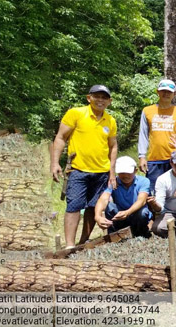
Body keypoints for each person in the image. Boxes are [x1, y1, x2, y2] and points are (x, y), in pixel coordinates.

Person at [51, 85, 118, 249]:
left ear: (109, 101)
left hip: (101, 171)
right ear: (89, 98)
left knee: (93, 207)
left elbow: (113, 146)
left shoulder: (110, 121)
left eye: (104, 97)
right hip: (78, 169)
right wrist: (54, 162)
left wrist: (111, 172)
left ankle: (83, 242)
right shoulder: (76, 113)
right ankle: (69, 245)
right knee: (74, 205)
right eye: (97, 96)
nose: (100, 100)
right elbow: (60, 137)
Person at [137, 79, 176, 193]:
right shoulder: (147, 111)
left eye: (169, 92)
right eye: (163, 91)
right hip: (154, 159)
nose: (166, 94)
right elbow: (143, 135)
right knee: (154, 192)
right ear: (158, 92)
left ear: (174, 94)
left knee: (175, 192)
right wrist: (142, 156)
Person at [93, 156, 151, 238]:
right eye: (122, 172)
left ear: (135, 171)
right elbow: (103, 199)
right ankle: (114, 234)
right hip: (120, 214)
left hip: (136, 213)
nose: (125, 175)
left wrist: (127, 212)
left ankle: (141, 233)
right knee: (109, 206)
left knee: (143, 212)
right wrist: (97, 216)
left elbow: (142, 201)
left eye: (128, 172)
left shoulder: (144, 181)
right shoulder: (113, 182)